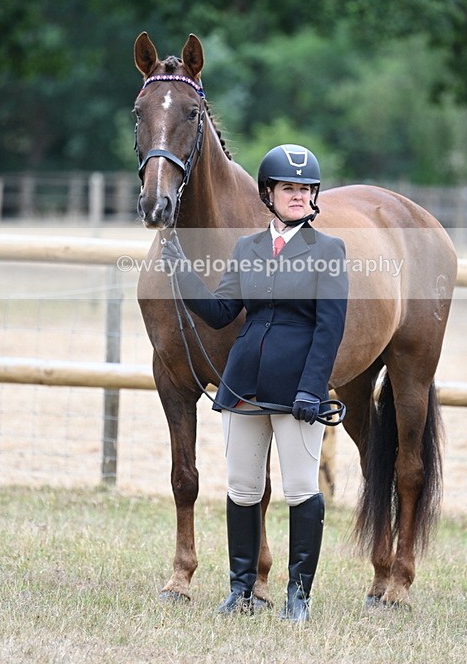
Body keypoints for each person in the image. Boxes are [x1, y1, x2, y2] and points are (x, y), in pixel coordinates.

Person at [161, 143, 348, 622]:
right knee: (243, 488)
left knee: (302, 490)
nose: (299, 196)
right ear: (268, 193)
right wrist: (181, 270)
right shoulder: (248, 248)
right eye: (289, 188)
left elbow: (329, 330)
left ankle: (298, 597)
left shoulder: (328, 251)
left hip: (297, 389)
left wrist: (312, 388)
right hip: (243, 382)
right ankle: (241, 588)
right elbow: (223, 312)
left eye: (307, 189)